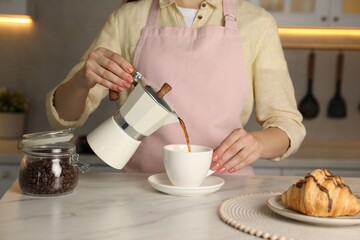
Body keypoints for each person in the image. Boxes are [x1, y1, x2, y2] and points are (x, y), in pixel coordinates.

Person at [46, 0, 306, 175]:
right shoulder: (128, 18)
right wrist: (83, 79)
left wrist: (258, 143)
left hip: (227, 193)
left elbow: (287, 124)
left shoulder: (257, 23)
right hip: (139, 191)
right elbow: (64, 117)